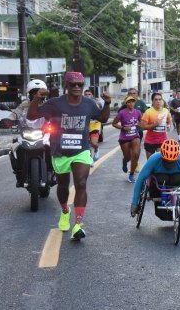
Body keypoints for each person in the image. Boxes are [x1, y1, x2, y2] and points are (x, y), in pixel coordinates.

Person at [27, 71, 111, 241]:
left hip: (81, 150)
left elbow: (102, 118)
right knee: (63, 186)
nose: (77, 87)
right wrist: (37, 98)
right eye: (73, 84)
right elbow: (31, 116)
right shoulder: (55, 104)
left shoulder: (88, 104)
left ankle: (78, 225)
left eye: (80, 84)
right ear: (66, 86)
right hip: (60, 152)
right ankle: (65, 210)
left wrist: (108, 103)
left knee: (81, 183)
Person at [130, 139, 180, 216]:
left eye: (172, 162)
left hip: (177, 180)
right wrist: (134, 203)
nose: (169, 165)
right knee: (162, 178)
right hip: (159, 182)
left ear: (177, 157)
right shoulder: (154, 159)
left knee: (179, 179)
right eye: (166, 161)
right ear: (161, 156)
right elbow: (141, 179)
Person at [6, 79, 53, 186]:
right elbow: (15, 114)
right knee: (16, 147)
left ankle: (50, 171)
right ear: (30, 94)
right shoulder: (24, 105)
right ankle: (19, 173)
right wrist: (8, 121)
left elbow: (55, 116)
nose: (37, 94)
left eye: (39, 92)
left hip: (44, 133)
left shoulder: (48, 104)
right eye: (34, 92)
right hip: (26, 132)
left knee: (53, 146)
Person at [113, 95, 143, 183]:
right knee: (128, 157)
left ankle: (131, 174)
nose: (131, 103)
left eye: (132, 101)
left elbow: (141, 122)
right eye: (129, 102)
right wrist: (123, 128)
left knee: (136, 154)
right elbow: (114, 123)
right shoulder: (122, 113)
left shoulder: (138, 112)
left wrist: (139, 124)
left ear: (134, 103)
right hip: (124, 138)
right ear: (126, 103)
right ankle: (124, 161)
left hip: (135, 136)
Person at [140, 92, 171, 159]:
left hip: (162, 140)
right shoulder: (148, 112)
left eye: (160, 99)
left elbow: (168, 121)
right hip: (150, 141)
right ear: (152, 101)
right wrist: (154, 125)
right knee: (151, 162)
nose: (158, 101)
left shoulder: (166, 111)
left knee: (160, 161)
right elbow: (142, 126)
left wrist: (168, 126)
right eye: (156, 100)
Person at [84, 89, 102, 164]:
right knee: (86, 145)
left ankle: (96, 149)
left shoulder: (97, 103)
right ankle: (90, 159)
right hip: (85, 125)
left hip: (95, 125)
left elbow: (102, 113)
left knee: (94, 143)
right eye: (86, 94)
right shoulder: (81, 103)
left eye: (89, 94)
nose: (88, 96)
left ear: (92, 95)